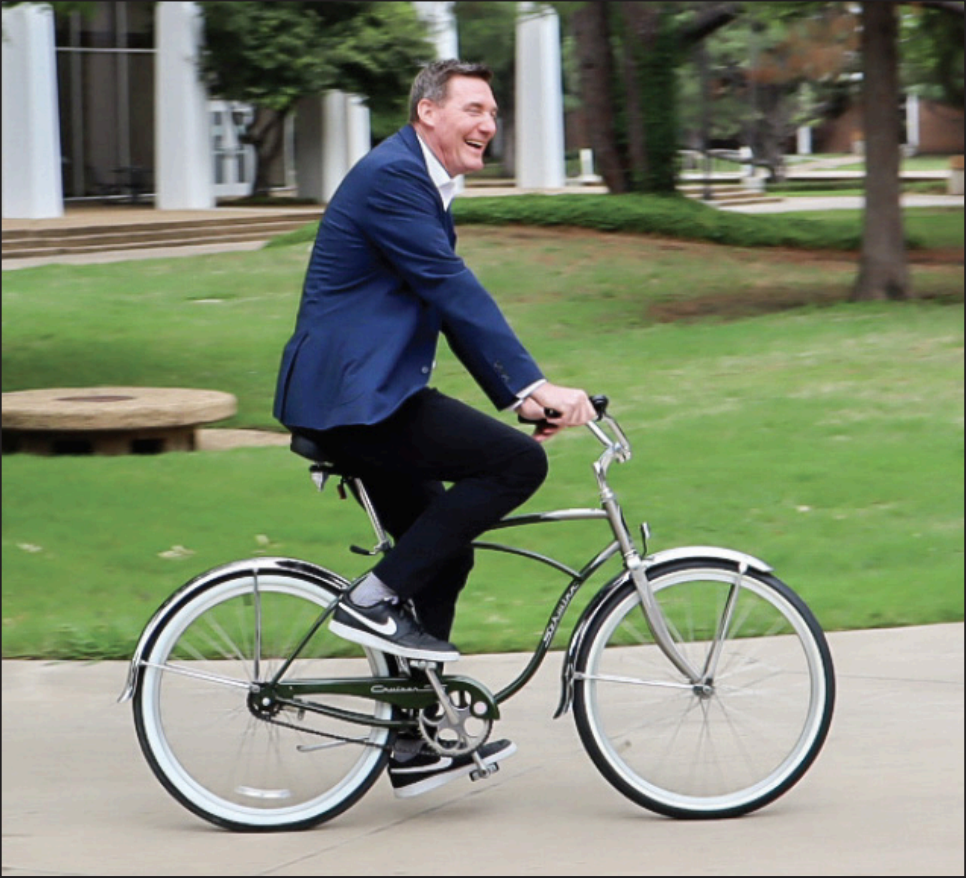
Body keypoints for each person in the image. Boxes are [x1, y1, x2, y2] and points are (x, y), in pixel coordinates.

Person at [273, 59, 595, 798]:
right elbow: (454, 289)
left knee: (443, 555)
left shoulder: (420, 184)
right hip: (354, 401)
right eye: (474, 108)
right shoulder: (395, 178)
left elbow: (446, 305)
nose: (489, 123)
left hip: (369, 395)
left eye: (494, 112)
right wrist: (533, 385)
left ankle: (413, 740)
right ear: (427, 112)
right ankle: (371, 600)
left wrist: (520, 398)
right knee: (516, 466)